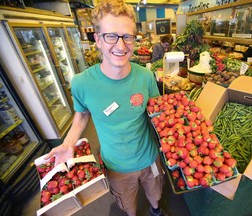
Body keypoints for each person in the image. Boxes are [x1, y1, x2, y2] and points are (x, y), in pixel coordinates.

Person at [45, 0, 166, 216]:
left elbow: (156, 112)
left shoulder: (146, 76)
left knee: (155, 194)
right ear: (97, 40)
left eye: (127, 36)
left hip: (149, 158)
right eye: (111, 36)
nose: (120, 46)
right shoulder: (82, 83)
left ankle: (156, 211)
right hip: (116, 165)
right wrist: (68, 143)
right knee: (128, 205)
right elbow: (82, 114)